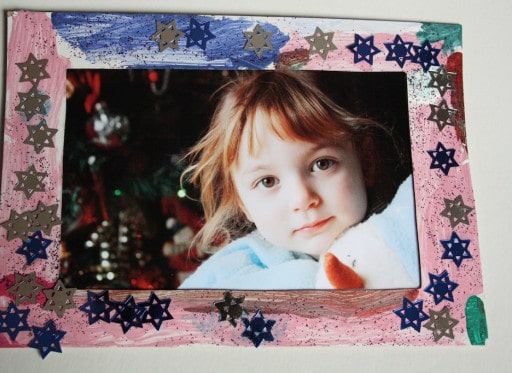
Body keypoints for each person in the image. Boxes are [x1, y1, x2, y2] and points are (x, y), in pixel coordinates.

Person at [178, 70, 419, 290]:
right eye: (268, 181)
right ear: (241, 203)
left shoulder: (410, 233)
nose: (302, 199)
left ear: (365, 161)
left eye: (322, 164)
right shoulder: (233, 277)